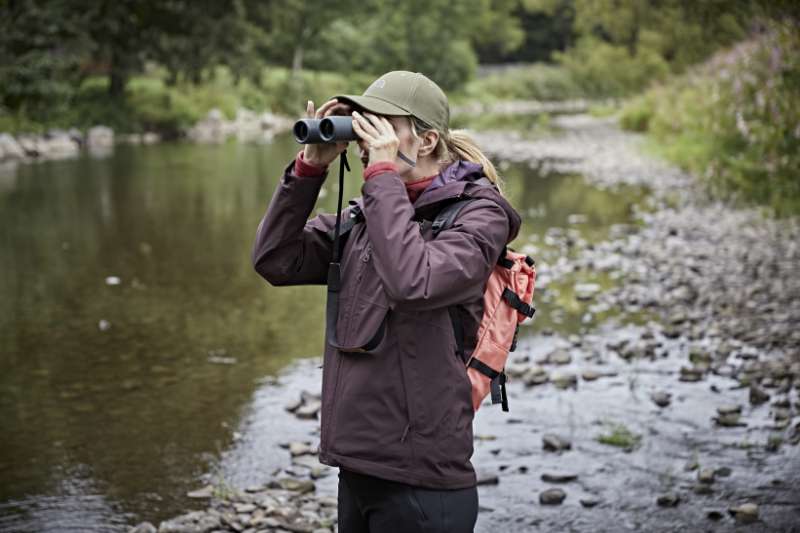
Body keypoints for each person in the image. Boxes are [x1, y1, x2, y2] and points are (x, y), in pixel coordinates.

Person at [251, 71, 521, 533]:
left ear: (428, 139)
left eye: (381, 125)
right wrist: (309, 170)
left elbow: (415, 281)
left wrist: (380, 175)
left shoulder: (480, 215)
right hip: (357, 468)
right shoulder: (368, 213)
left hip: (423, 482)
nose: (364, 137)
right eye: (361, 123)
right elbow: (276, 260)